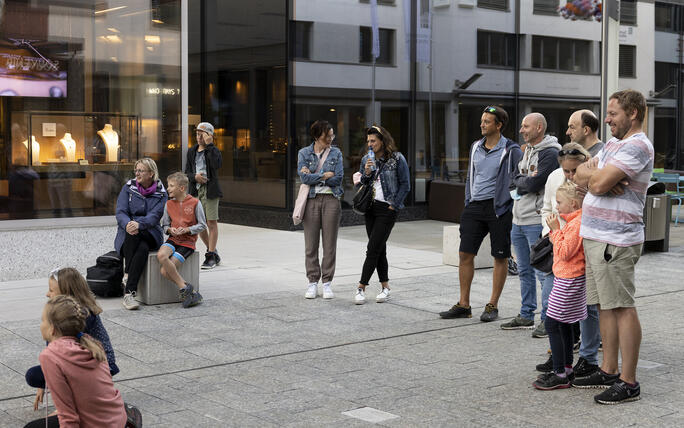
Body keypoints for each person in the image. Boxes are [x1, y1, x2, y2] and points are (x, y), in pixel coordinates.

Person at [571, 89, 653, 404]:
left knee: (621, 306)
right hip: (597, 237)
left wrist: (598, 177)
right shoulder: (614, 146)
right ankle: (607, 370)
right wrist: (595, 175)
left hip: (616, 240)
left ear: (633, 113)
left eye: (613, 114)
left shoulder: (637, 146)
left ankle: (629, 381)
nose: (607, 119)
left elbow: (598, 183)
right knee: (605, 305)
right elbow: (579, 175)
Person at [439, 106, 522, 322]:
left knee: (500, 256)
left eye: (487, 121)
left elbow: (517, 180)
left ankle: (492, 305)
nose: (482, 124)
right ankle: (464, 304)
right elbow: (470, 177)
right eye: (482, 120)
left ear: (498, 125)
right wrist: (468, 201)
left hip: (498, 209)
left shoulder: (511, 150)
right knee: (465, 255)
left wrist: (508, 203)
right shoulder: (476, 146)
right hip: (474, 207)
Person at [536, 144, 602, 380]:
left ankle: (580, 361)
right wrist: (551, 230)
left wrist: (556, 233)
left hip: (576, 263)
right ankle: (562, 360)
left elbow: (567, 247)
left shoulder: (595, 183)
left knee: (575, 314)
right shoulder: (556, 180)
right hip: (562, 260)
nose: (571, 177)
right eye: (567, 172)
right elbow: (548, 208)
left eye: (574, 171)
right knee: (557, 315)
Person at [26, 268, 119, 416]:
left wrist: (63, 408)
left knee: (35, 374)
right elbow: (54, 348)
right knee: (36, 376)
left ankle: (80, 400)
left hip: (100, 363)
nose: (47, 294)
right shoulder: (61, 315)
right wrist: (42, 386)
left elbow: (67, 360)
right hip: (79, 361)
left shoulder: (83, 315)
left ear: (66, 295)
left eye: (51, 290)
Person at [24, 295, 127, 428]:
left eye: (43, 320)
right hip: (117, 419)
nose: (41, 325)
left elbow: (68, 417)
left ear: (52, 329)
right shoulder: (90, 342)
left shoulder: (50, 356)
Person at [502, 113, 561, 330]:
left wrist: (522, 180)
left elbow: (535, 183)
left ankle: (547, 320)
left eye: (525, 126)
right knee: (524, 270)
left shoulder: (551, 153)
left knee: (542, 272)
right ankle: (526, 314)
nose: (521, 130)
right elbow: (513, 178)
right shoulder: (526, 150)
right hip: (518, 220)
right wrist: (522, 180)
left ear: (538, 127)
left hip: (536, 220)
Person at [533, 181, 587, 390]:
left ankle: (559, 373)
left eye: (559, 202)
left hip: (569, 279)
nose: (556, 206)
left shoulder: (576, 224)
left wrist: (555, 231)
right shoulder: (573, 221)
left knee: (552, 323)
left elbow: (565, 252)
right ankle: (566, 368)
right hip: (566, 278)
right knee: (562, 323)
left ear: (573, 203)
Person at [355, 125, 410, 304]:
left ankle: (361, 287)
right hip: (370, 209)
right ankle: (385, 287)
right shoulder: (366, 159)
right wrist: (367, 172)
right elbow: (363, 182)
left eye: (373, 141)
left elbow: (405, 184)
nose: (370, 144)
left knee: (372, 249)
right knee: (379, 248)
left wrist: (394, 206)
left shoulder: (397, 158)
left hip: (387, 209)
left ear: (382, 141)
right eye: (368, 141)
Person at [297, 120, 344, 299]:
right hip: (311, 200)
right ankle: (312, 282)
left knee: (330, 244)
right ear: (317, 136)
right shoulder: (304, 153)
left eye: (332, 135)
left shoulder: (336, 153)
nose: (330, 139)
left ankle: (327, 283)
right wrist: (324, 175)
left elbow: (338, 178)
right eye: (327, 136)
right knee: (311, 244)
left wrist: (314, 176)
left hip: (331, 199)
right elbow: (303, 178)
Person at [115, 158, 168, 310]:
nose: (137, 173)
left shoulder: (161, 192)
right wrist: (128, 224)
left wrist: (140, 224)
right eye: (136, 170)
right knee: (142, 248)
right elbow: (120, 211)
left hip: (150, 233)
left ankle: (127, 273)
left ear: (151, 173)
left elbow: (156, 215)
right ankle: (129, 294)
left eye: (141, 171)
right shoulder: (128, 187)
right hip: (127, 234)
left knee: (137, 234)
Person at [158, 172, 207, 308]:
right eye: (168, 185)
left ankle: (191, 291)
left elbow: (203, 225)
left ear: (182, 188)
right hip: (173, 239)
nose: (168, 188)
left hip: (187, 243)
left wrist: (187, 230)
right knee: (161, 255)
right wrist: (169, 230)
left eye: (171, 186)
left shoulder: (195, 203)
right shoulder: (168, 204)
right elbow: (165, 225)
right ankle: (186, 288)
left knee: (164, 271)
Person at [186, 122, 223, 270]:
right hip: (195, 190)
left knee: (211, 222)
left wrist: (210, 146)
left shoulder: (213, 150)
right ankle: (212, 251)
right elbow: (186, 172)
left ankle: (211, 254)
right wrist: (195, 177)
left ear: (209, 135)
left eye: (202, 133)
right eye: (197, 133)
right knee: (199, 224)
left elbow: (217, 165)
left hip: (210, 190)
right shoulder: (191, 151)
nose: (199, 136)